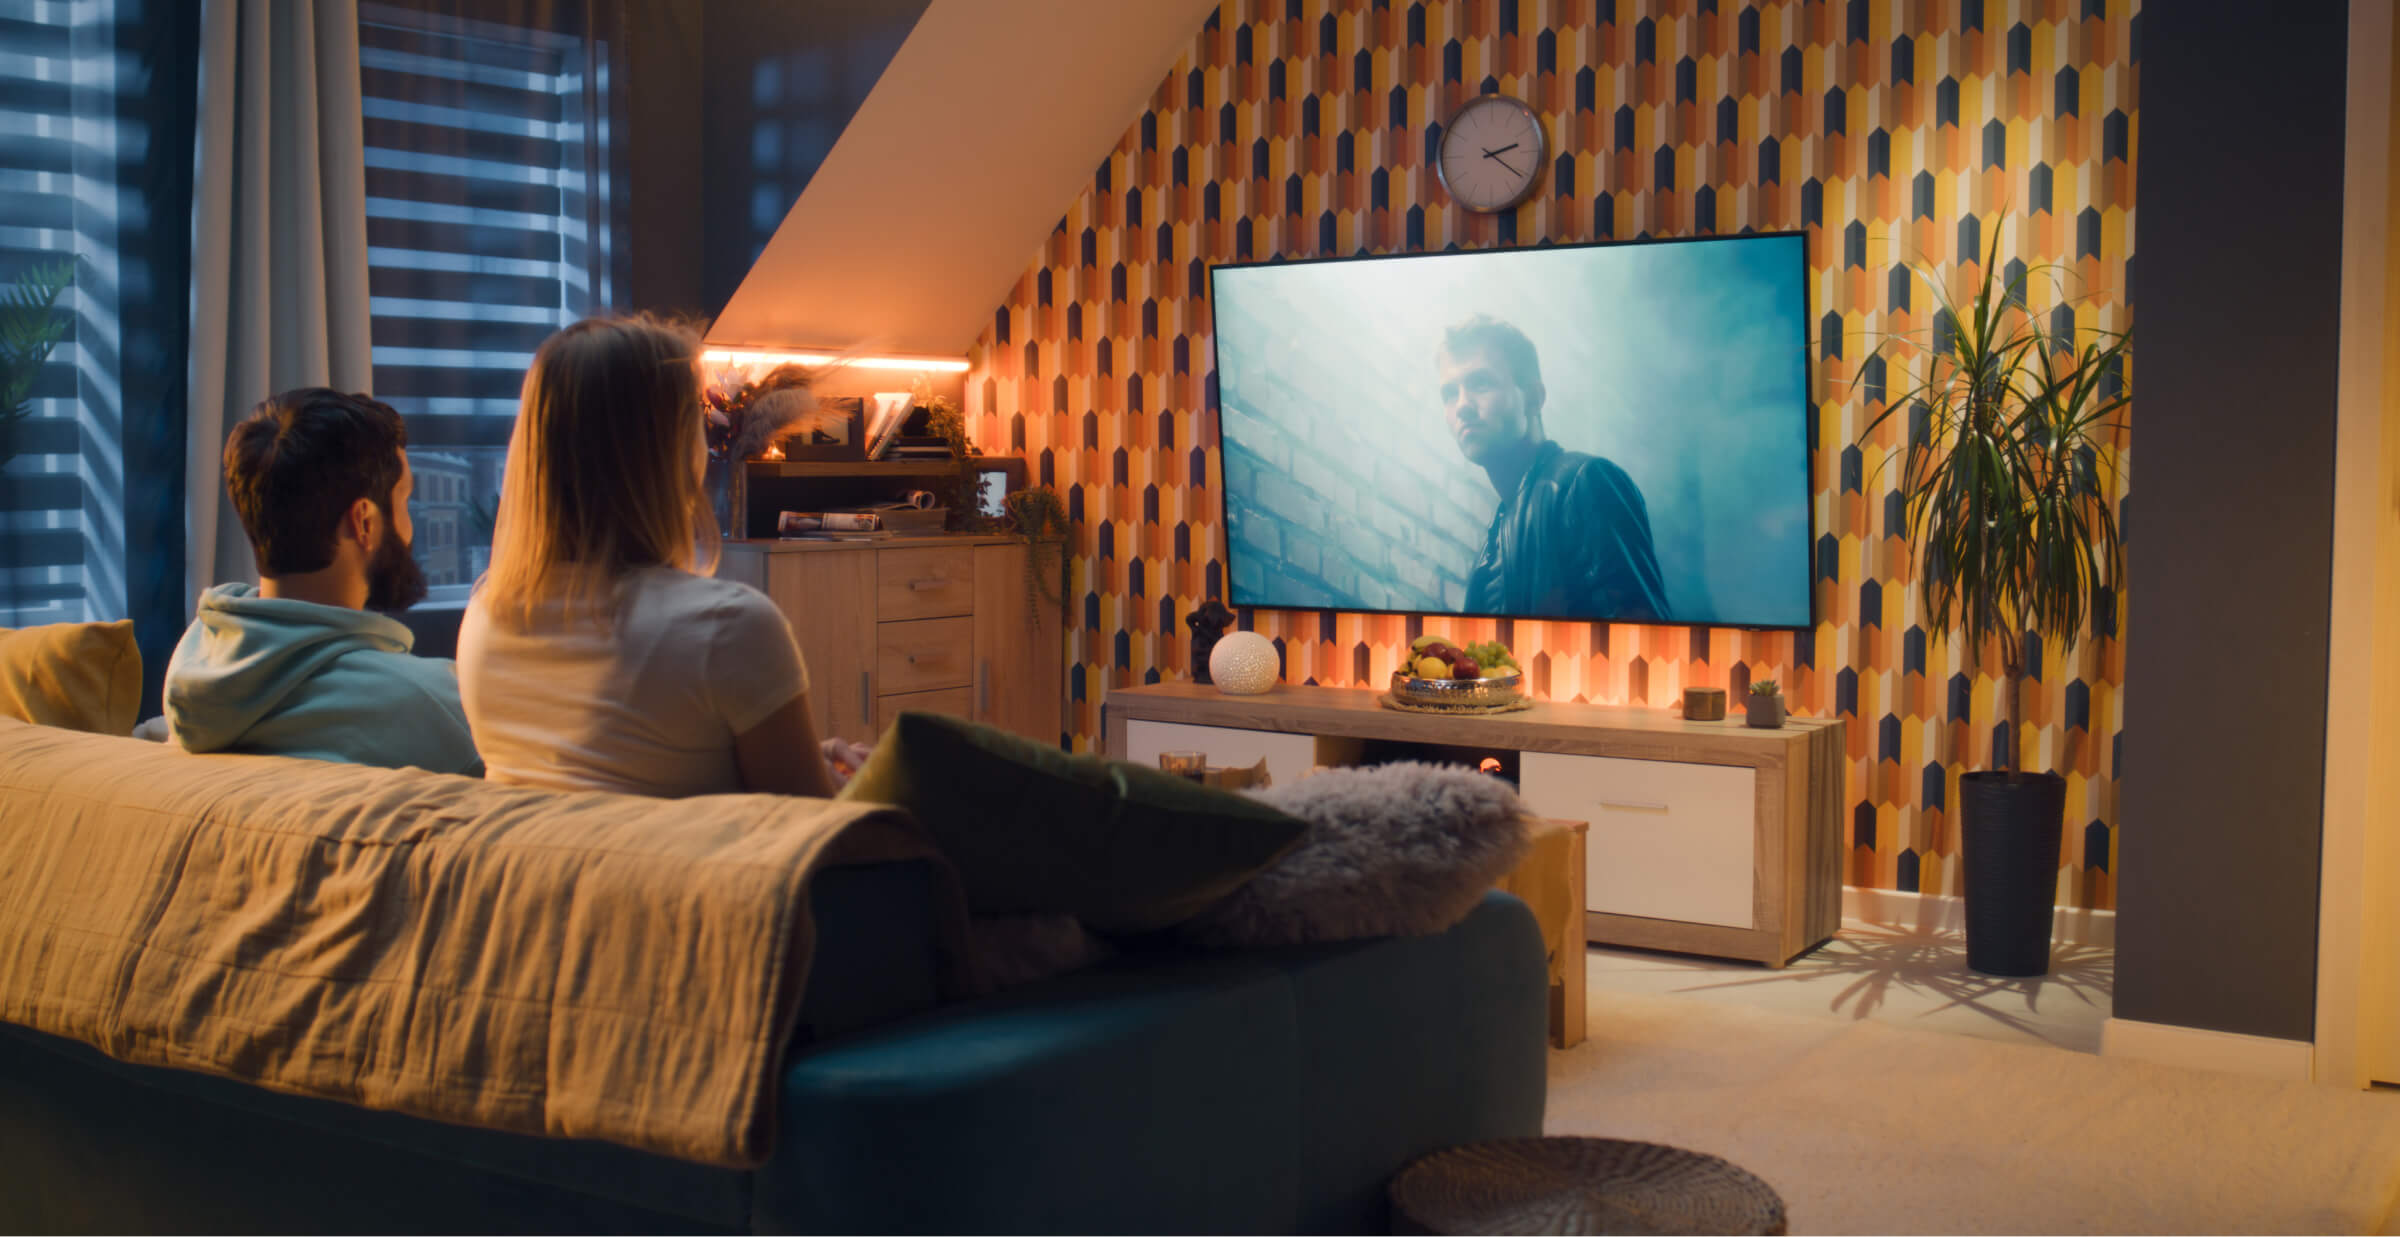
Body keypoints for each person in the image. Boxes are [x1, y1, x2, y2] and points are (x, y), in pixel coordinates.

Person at [456, 314, 843, 798]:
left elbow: (612, 774)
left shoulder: (487, 614)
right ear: (668, 453)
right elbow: (810, 829)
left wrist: (806, 755)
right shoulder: (728, 626)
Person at [162, 388, 482, 775]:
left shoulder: (192, 670)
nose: (410, 526)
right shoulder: (427, 703)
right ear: (364, 521)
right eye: (404, 503)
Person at [1436, 314, 1670, 620]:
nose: (1462, 405)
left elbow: (1640, 638)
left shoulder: (1583, 482)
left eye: (1481, 383)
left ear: (1533, 398)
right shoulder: (1495, 539)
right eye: (1449, 393)